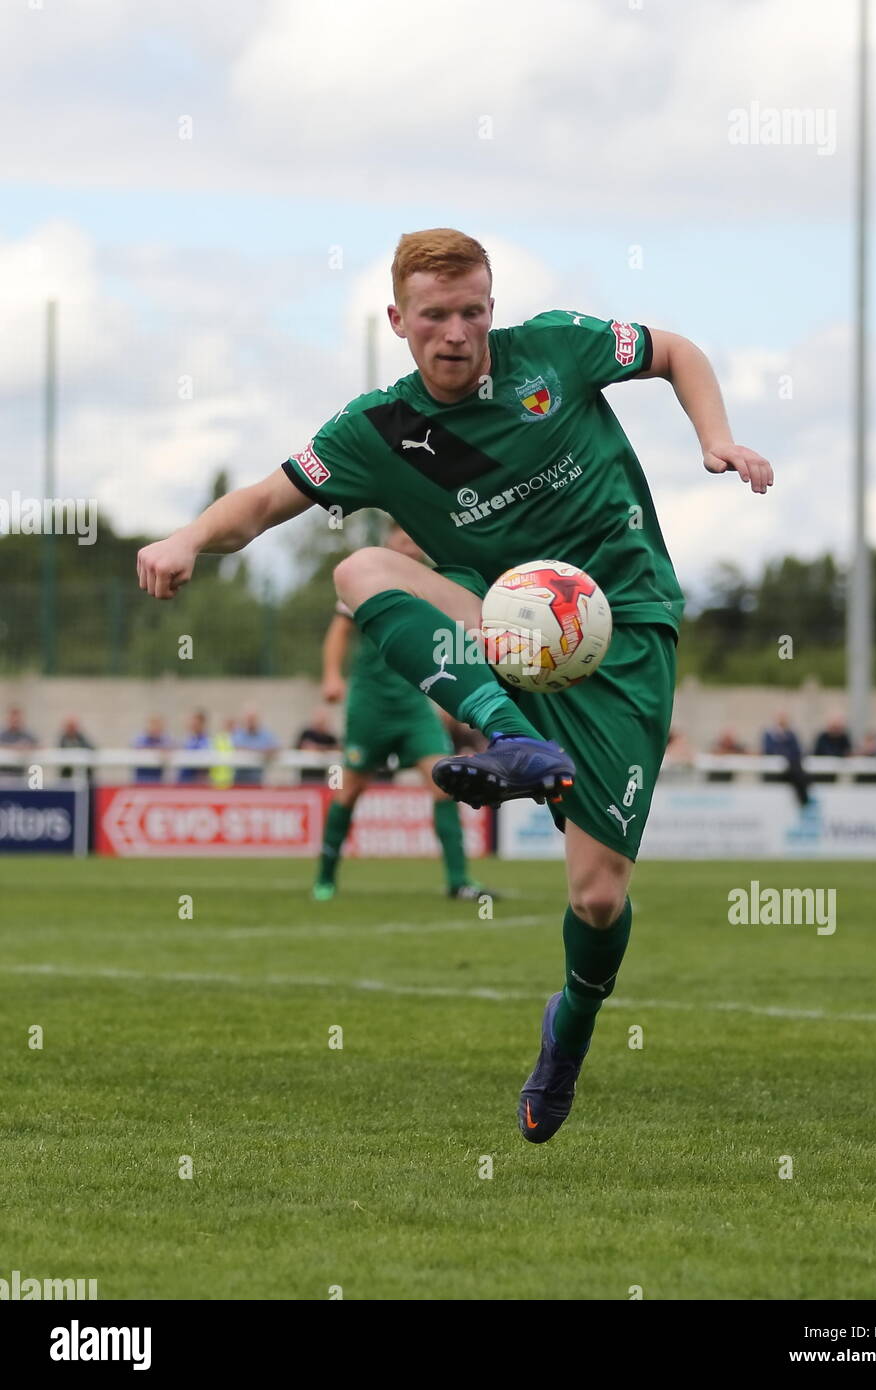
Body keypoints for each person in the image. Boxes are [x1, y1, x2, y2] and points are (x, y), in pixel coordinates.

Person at [136, 227, 773, 1144]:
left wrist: (717, 440)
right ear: (399, 319)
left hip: (623, 631)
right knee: (359, 577)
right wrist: (188, 538)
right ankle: (508, 736)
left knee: (596, 897)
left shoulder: (553, 349)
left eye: (472, 311)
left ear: (490, 308)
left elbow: (675, 353)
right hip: (508, 630)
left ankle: (572, 1030)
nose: (456, 332)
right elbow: (266, 503)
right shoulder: (380, 430)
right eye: (434, 316)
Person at [314, 523, 491, 902]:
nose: (410, 546)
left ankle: (458, 882)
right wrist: (331, 675)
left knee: (446, 782)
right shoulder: (367, 579)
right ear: (389, 541)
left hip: (413, 704)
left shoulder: (430, 584)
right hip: (370, 705)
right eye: (403, 539)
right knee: (350, 790)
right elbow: (340, 631)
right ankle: (325, 879)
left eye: (416, 540)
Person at [232, 708, 278, 785]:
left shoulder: (265, 734)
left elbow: (275, 748)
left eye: (253, 719)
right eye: (249, 719)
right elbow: (238, 748)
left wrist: (253, 750)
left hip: (257, 778)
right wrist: (262, 751)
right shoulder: (238, 733)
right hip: (239, 778)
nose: (251, 722)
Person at [294, 706, 340, 785]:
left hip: (321, 776)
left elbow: (338, 748)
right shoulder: (307, 733)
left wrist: (319, 748)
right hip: (306, 774)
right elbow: (300, 746)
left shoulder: (329, 737)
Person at [132, 715, 172, 783]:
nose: (155, 728)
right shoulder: (141, 737)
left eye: (158, 725)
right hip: (141, 776)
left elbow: (171, 746)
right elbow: (136, 747)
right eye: (153, 725)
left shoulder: (164, 738)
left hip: (157, 778)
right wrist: (157, 750)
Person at [57, 715, 96, 781]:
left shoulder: (82, 738)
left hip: (85, 773)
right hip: (67, 774)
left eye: (73, 727)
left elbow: (92, 749)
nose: (71, 729)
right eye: (69, 727)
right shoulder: (63, 739)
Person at [178, 710, 211, 784]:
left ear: (202, 723)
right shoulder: (187, 739)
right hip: (183, 780)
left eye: (195, 722)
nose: (192, 724)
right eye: (191, 721)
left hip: (195, 781)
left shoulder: (206, 741)